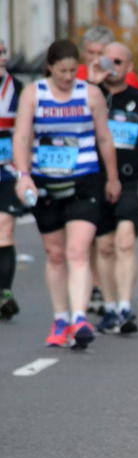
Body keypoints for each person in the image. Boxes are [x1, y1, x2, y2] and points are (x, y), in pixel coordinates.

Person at [13, 39, 120, 348]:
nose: (68, 77)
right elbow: (21, 137)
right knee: (55, 254)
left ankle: (80, 318)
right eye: (62, 71)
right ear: (50, 67)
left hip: (84, 180)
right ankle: (60, 318)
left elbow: (104, 138)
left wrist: (112, 178)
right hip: (46, 182)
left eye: (74, 71)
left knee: (77, 251)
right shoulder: (35, 94)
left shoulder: (90, 94)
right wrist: (23, 176)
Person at [88, 42, 138, 334]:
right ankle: (109, 307)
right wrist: (93, 85)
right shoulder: (89, 95)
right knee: (104, 246)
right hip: (96, 179)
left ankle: (125, 307)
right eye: (107, 60)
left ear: (129, 67)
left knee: (125, 240)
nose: (112, 67)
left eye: (118, 61)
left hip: (131, 180)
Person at [0, 39, 25, 320]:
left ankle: (4, 292)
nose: (2, 58)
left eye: (4, 52)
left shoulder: (17, 89)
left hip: (7, 170)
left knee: (4, 229)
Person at [76, 26, 138, 91]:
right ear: (82, 52)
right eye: (90, 52)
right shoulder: (74, 73)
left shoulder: (125, 77)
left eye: (100, 53)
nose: (95, 59)